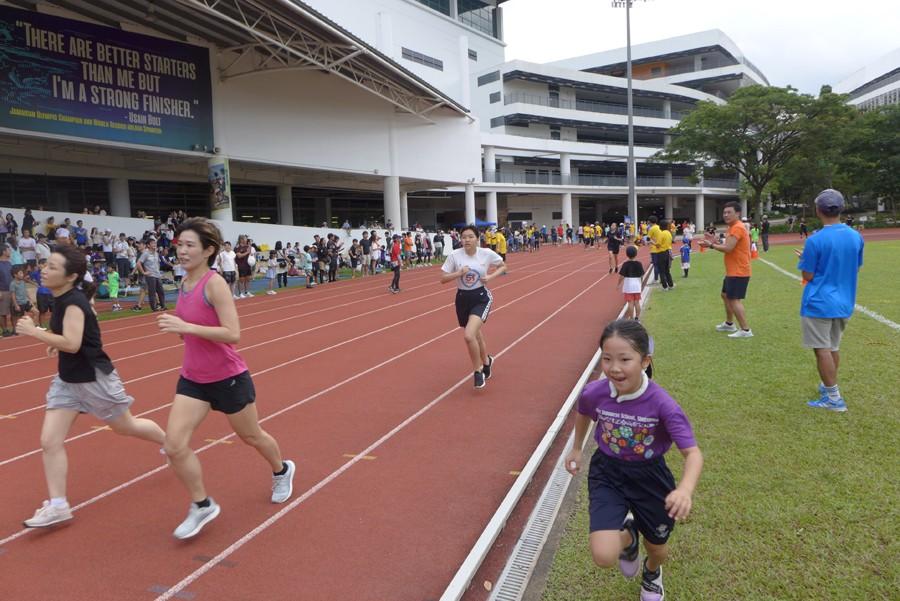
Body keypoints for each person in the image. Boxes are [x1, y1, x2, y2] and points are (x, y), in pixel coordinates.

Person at [157, 218, 296, 540]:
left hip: (228, 377)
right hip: (193, 378)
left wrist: (187, 328)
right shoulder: (184, 283)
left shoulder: (214, 283)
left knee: (252, 436)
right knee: (174, 445)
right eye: (180, 244)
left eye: (190, 245)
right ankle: (202, 504)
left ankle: (281, 469)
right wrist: (182, 329)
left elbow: (233, 333)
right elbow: (193, 329)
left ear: (208, 251)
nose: (182, 250)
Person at [17, 244, 166, 528]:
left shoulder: (74, 302)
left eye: (52, 267)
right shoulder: (63, 297)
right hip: (68, 380)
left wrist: (36, 332)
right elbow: (75, 335)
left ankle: (170, 444)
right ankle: (59, 506)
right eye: (46, 264)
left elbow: (73, 344)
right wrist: (54, 340)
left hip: (95, 379)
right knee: (49, 441)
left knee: (126, 427)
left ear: (71, 276)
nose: (44, 270)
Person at [565, 319, 703, 601]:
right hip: (607, 471)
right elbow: (584, 412)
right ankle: (628, 538)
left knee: (657, 549)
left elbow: (693, 453)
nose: (614, 368)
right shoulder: (595, 392)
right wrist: (577, 448)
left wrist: (685, 490)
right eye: (607, 359)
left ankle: (651, 572)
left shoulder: (663, 404)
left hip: (650, 477)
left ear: (644, 361)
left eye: (625, 359)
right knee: (603, 555)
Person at [795, 189, 864, 412]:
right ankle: (829, 388)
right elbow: (854, 267)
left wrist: (807, 259)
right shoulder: (855, 236)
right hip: (844, 301)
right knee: (833, 346)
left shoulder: (815, 240)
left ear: (818, 210)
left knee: (822, 349)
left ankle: (833, 398)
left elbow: (808, 275)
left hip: (819, 302)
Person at [440, 225, 507, 389]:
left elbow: (503, 266)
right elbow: (443, 279)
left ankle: (478, 371)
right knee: (476, 334)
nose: (467, 240)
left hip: (481, 297)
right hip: (462, 299)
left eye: (470, 237)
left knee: (469, 335)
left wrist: (490, 277)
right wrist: (458, 273)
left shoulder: (486, 253)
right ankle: (487, 361)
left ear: (477, 239)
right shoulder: (455, 255)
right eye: (464, 237)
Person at [698, 201, 753, 338]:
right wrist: (714, 242)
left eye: (729, 212)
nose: (726, 215)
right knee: (725, 295)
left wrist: (711, 245)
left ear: (738, 213)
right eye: (724, 212)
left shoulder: (737, 227)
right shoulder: (733, 227)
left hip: (739, 270)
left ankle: (745, 330)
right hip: (733, 270)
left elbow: (728, 248)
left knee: (734, 299)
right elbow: (728, 245)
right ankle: (729, 324)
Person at [138, 238, 167, 311]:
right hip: (150, 276)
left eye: (155, 243)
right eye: (152, 243)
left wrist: (159, 271)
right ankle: (154, 307)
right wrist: (143, 272)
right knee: (152, 292)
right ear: (148, 245)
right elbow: (138, 263)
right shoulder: (146, 253)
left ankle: (163, 306)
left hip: (157, 275)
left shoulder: (156, 253)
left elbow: (157, 263)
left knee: (161, 291)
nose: (154, 244)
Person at [617, 246, 645, 320]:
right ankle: (637, 318)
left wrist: (618, 284)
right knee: (637, 302)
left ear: (627, 254)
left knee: (630, 303)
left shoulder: (625, 264)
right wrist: (641, 283)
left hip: (628, 286)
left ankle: (632, 319)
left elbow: (622, 276)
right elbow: (641, 275)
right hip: (637, 285)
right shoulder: (639, 263)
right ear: (636, 254)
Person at [654, 220, 674, 291]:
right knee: (667, 270)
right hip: (667, 252)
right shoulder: (669, 233)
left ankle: (665, 287)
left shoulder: (661, 233)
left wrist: (652, 242)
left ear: (661, 226)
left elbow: (658, 245)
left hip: (661, 253)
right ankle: (671, 285)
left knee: (661, 271)